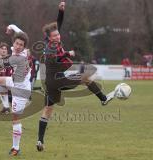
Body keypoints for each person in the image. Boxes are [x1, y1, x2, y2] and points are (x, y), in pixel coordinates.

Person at [36, 1, 115, 151]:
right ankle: (103, 99)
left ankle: (40, 141)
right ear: (49, 38)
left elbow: (58, 24)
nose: (58, 36)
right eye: (55, 35)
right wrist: (67, 53)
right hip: (57, 81)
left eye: (58, 34)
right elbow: (54, 59)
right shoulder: (50, 47)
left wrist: (61, 12)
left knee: (48, 109)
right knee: (85, 77)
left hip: (50, 82)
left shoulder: (50, 39)